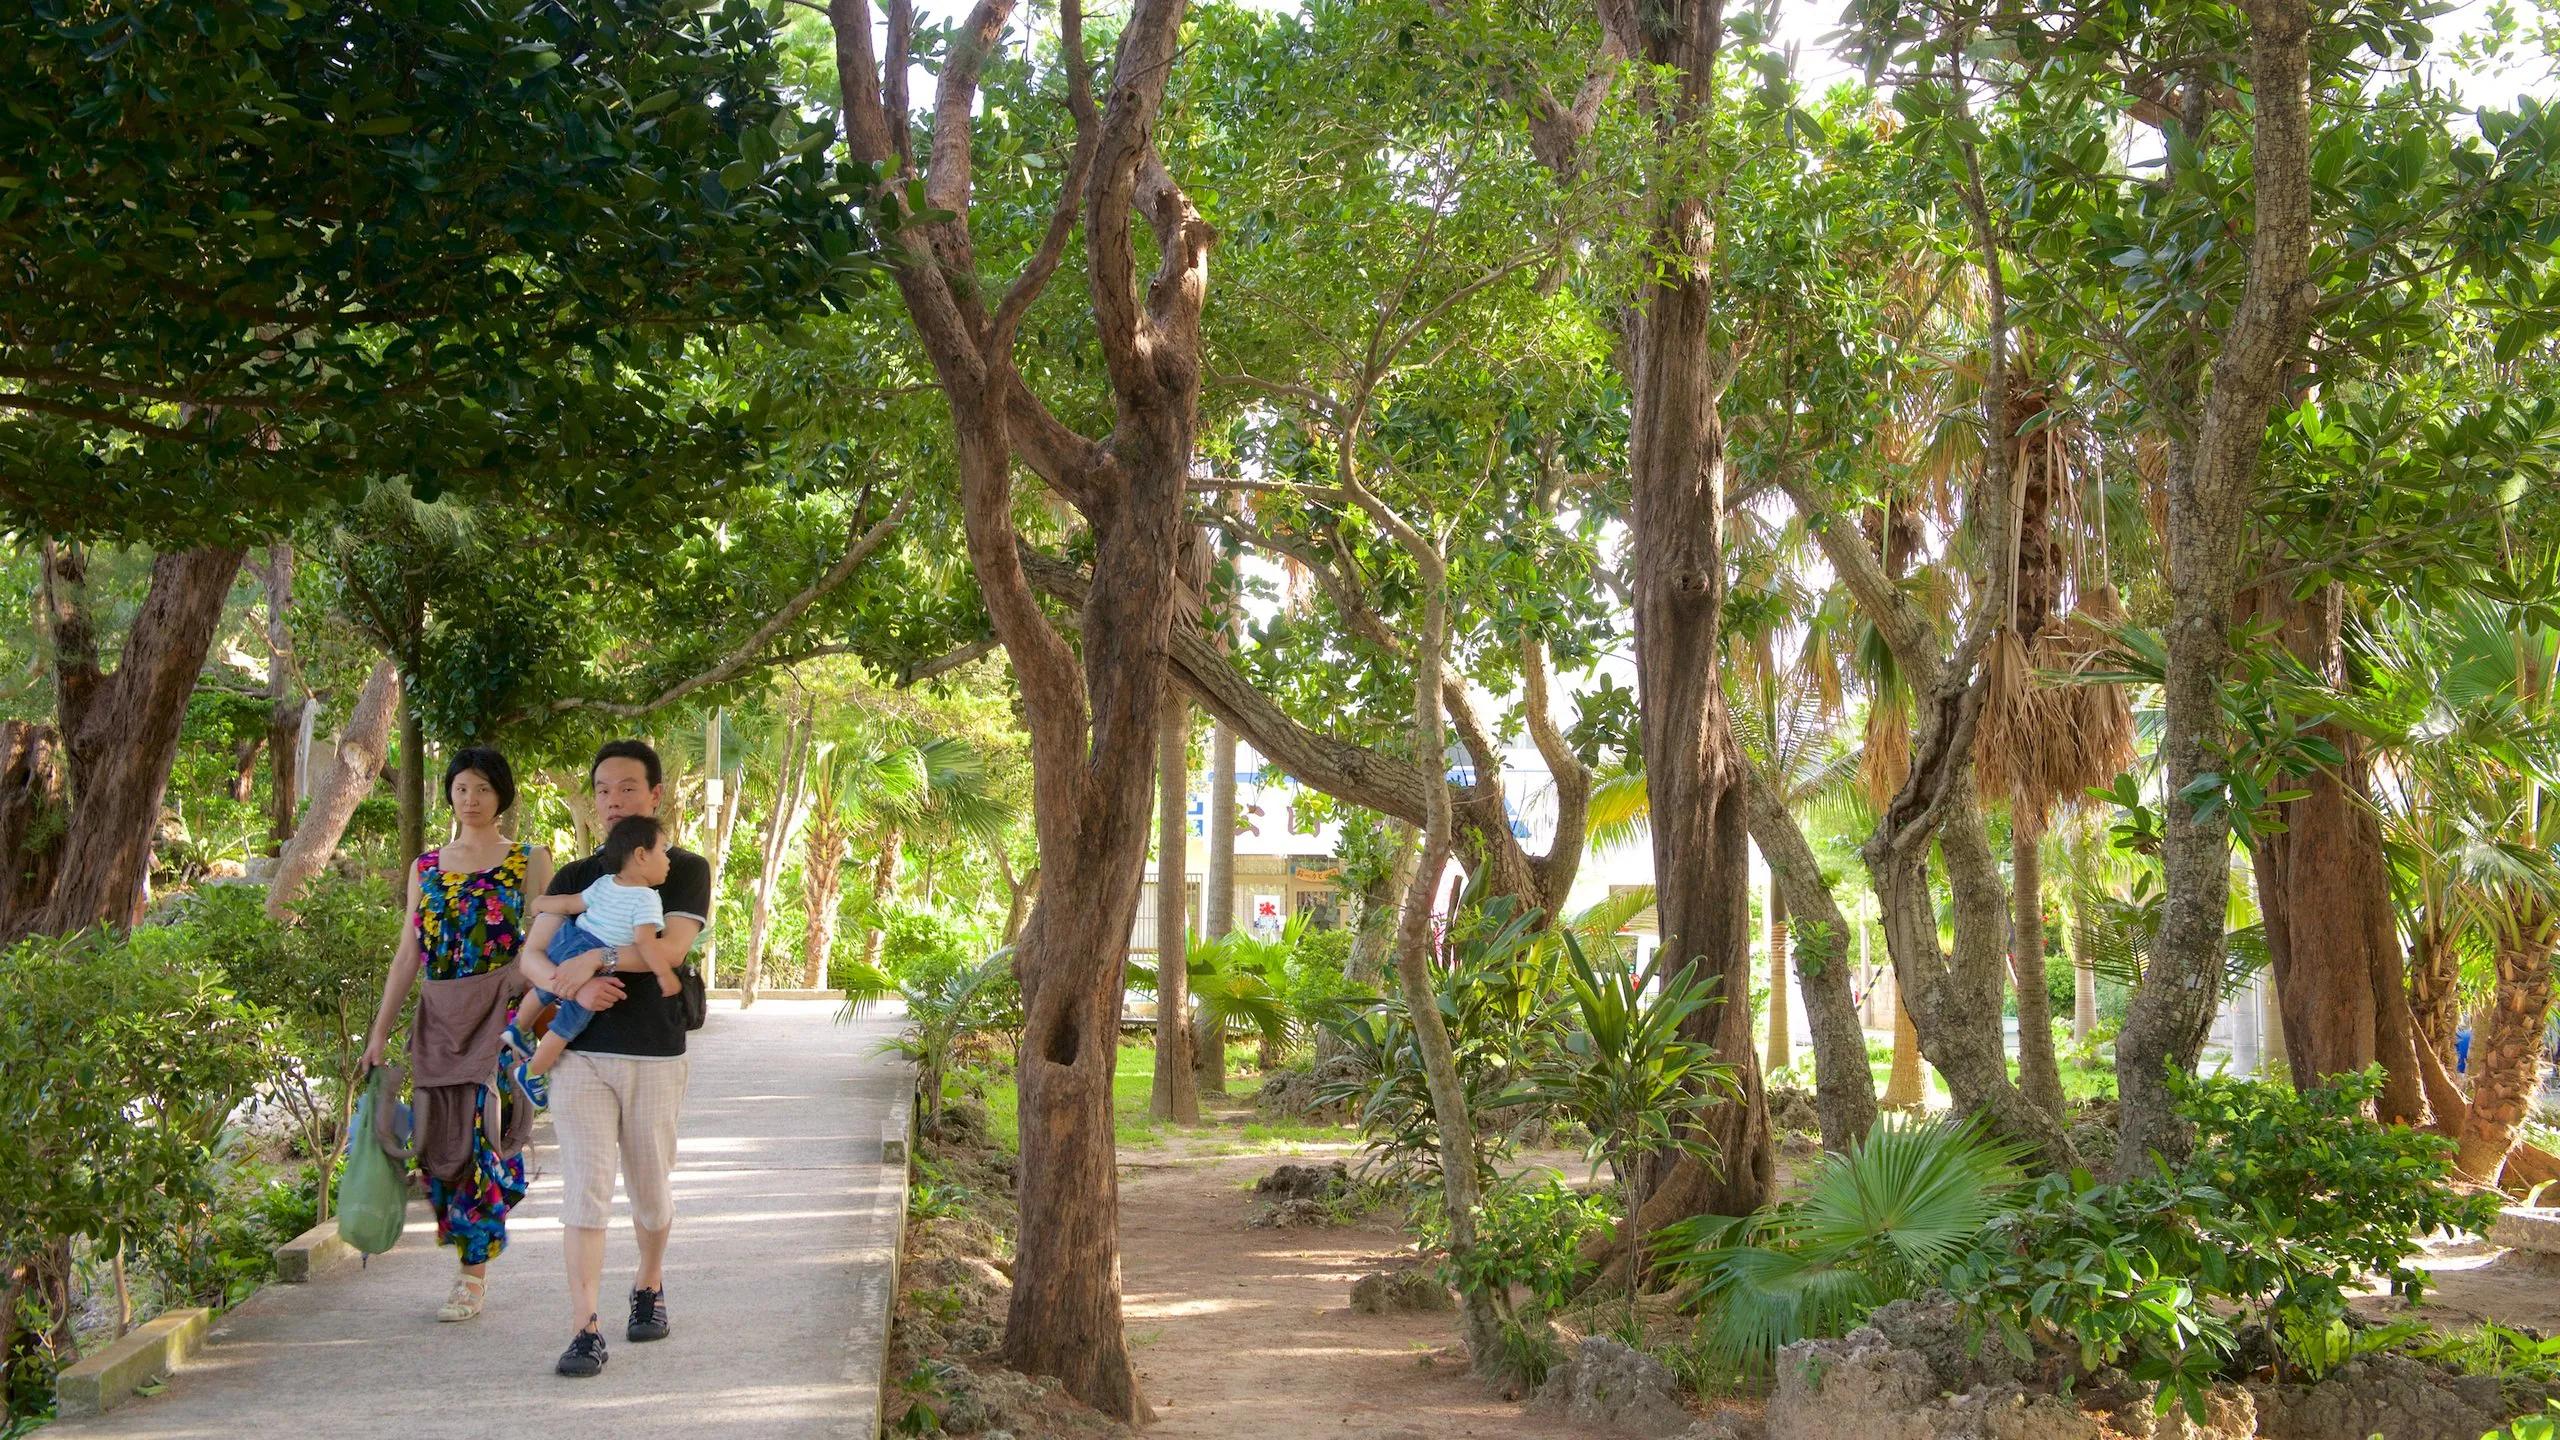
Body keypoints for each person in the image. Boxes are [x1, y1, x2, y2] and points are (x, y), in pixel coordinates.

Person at [518, 739, 711, 1379]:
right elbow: (532, 956)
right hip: (583, 1055)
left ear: (655, 795)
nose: (613, 799)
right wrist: (563, 978)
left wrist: (592, 958)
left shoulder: (679, 868)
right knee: (587, 1190)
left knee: (651, 1193)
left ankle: (649, 1284)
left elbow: (673, 949)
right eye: (603, 788)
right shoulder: (575, 877)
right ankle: (584, 1329)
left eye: (627, 787)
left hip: (654, 1052)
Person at [357, 746, 552, 1324]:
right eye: (462, 788)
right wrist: (377, 1035)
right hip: (438, 1019)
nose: (471, 800)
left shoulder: (528, 859)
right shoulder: (427, 867)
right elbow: (407, 955)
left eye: (483, 789)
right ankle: (466, 1247)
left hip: (498, 1015)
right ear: (450, 793)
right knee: (439, 1142)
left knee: (481, 1134)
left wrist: (522, 987)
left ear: (502, 796)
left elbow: (547, 939)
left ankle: (471, 1276)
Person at [507, 815, 682, 1104]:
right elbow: (645, 942)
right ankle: (533, 1071)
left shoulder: (603, 884)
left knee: (547, 988)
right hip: (594, 954)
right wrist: (664, 974)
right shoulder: (647, 898)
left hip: (568, 938)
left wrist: (540, 904)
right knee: (569, 1023)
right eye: (663, 850)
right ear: (641, 855)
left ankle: (519, 1027)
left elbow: (569, 903)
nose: (668, 859)